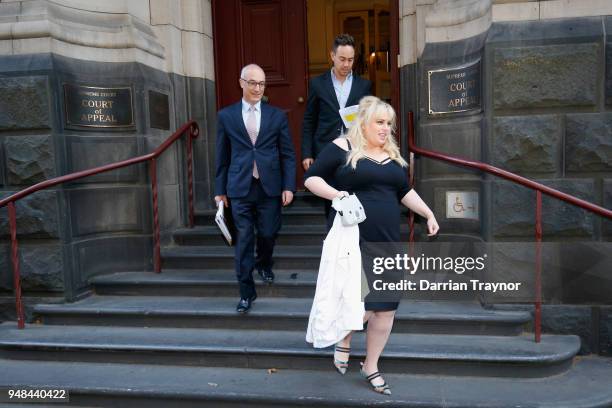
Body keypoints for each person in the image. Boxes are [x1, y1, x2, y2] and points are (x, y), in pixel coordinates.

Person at [304, 96, 439, 395]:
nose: (385, 129)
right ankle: (344, 337)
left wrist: (428, 213)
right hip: (355, 240)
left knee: (386, 308)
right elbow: (311, 179)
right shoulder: (344, 148)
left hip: (388, 241)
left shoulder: (392, 156)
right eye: (379, 122)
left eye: (388, 123)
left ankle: (371, 365)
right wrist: (337, 195)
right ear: (363, 123)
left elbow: (405, 191)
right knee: (359, 301)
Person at [214, 64, 296, 313]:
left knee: (269, 232)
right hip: (239, 187)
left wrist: (288, 186)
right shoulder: (226, 116)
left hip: (269, 186)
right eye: (253, 83)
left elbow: (288, 155)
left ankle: (264, 263)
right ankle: (246, 292)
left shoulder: (277, 116)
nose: (258, 88)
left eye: (261, 84)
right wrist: (220, 189)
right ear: (241, 83)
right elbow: (222, 155)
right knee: (244, 239)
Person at [301, 33, 371, 219]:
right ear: (332, 56)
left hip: (354, 149)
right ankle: (334, 240)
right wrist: (307, 153)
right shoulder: (317, 84)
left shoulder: (364, 85)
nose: (346, 64)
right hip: (325, 150)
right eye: (342, 59)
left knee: (354, 195)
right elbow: (309, 120)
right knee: (331, 199)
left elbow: (369, 120)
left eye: (350, 60)